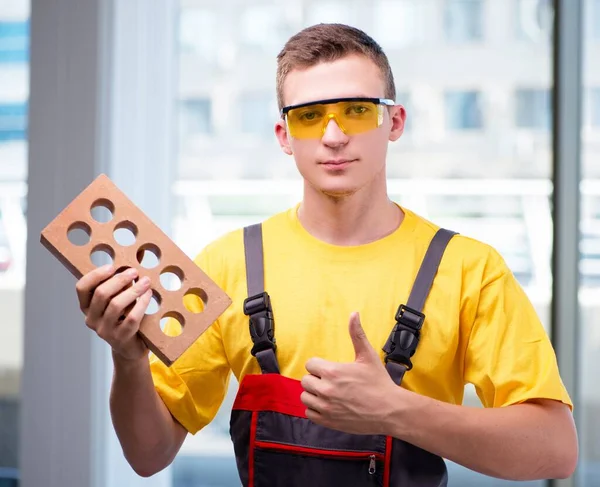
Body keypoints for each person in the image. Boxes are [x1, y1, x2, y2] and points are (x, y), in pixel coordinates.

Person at [75, 23, 578, 485]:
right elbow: (148, 454)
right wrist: (128, 358)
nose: (334, 136)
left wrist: (393, 409)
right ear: (284, 136)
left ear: (394, 121)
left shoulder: (468, 269)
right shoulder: (228, 266)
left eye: (356, 110)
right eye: (310, 117)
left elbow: (555, 450)